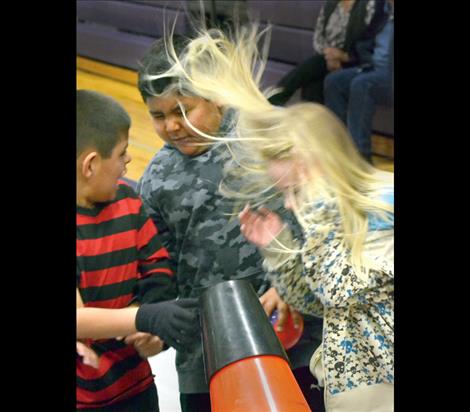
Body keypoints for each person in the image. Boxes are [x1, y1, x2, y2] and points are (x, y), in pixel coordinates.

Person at [150, 25, 394, 412]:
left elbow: (347, 288)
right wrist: (279, 249)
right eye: (285, 194)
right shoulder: (321, 222)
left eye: (296, 189)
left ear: (327, 164)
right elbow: (314, 301)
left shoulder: (382, 205)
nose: (293, 203)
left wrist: (310, 223)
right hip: (348, 386)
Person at [136, 35, 324, 412]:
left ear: (216, 96)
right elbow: (159, 268)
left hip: (296, 340)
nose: (172, 126)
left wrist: (289, 287)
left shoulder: (268, 141)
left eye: (183, 110)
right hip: (205, 357)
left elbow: (320, 222)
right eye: (159, 116)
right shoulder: (156, 178)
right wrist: (155, 321)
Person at [76, 90, 199, 411]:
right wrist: (144, 316)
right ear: (90, 165)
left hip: (135, 385)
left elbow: (157, 268)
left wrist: (152, 326)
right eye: (121, 154)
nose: (128, 161)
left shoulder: (130, 205)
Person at [268, 0, 386, 106]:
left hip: (353, 61)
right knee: (313, 83)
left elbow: (369, 42)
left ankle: (273, 100)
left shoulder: (369, 5)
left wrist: (345, 57)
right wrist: (329, 55)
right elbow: (318, 37)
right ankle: (314, 126)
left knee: (313, 70)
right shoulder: (330, 4)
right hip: (326, 58)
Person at [324, 0, 394, 162]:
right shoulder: (382, 10)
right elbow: (365, 41)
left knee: (362, 84)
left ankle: (360, 157)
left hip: (389, 75)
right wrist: (347, 57)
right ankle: (338, 147)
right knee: (334, 81)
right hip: (373, 67)